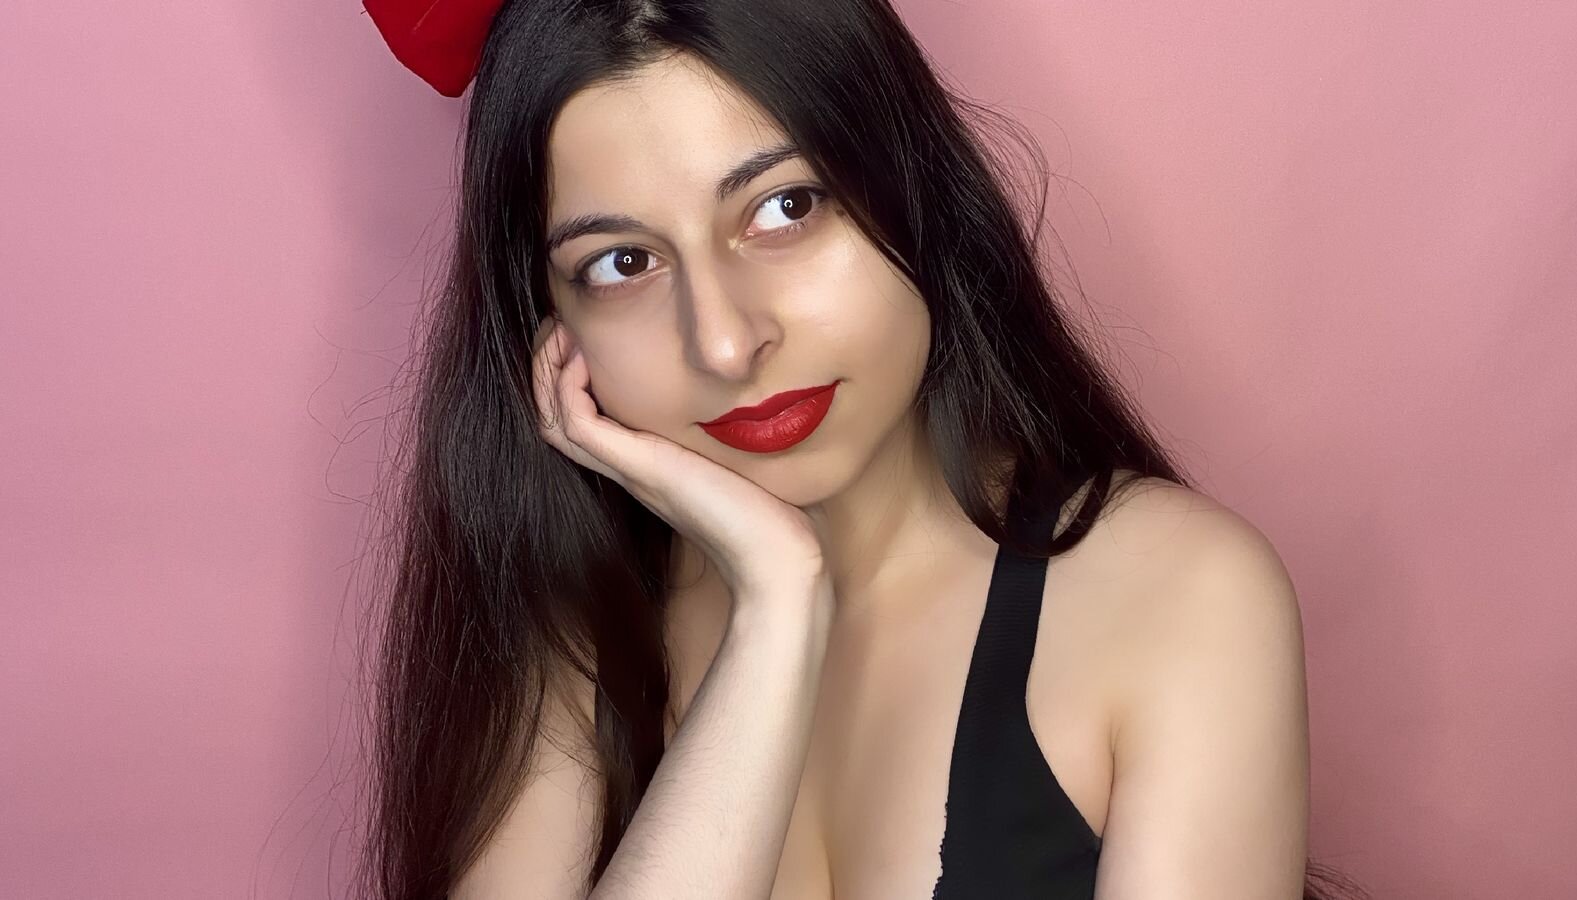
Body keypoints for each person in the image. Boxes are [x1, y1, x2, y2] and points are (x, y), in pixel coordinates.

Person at [355, 1, 1368, 898]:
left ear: (910, 185)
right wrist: (776, 604)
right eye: (624, 263)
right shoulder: (577, 648)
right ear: (549, 326)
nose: (725, 343)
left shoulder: (1175, 593)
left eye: (784, 208)